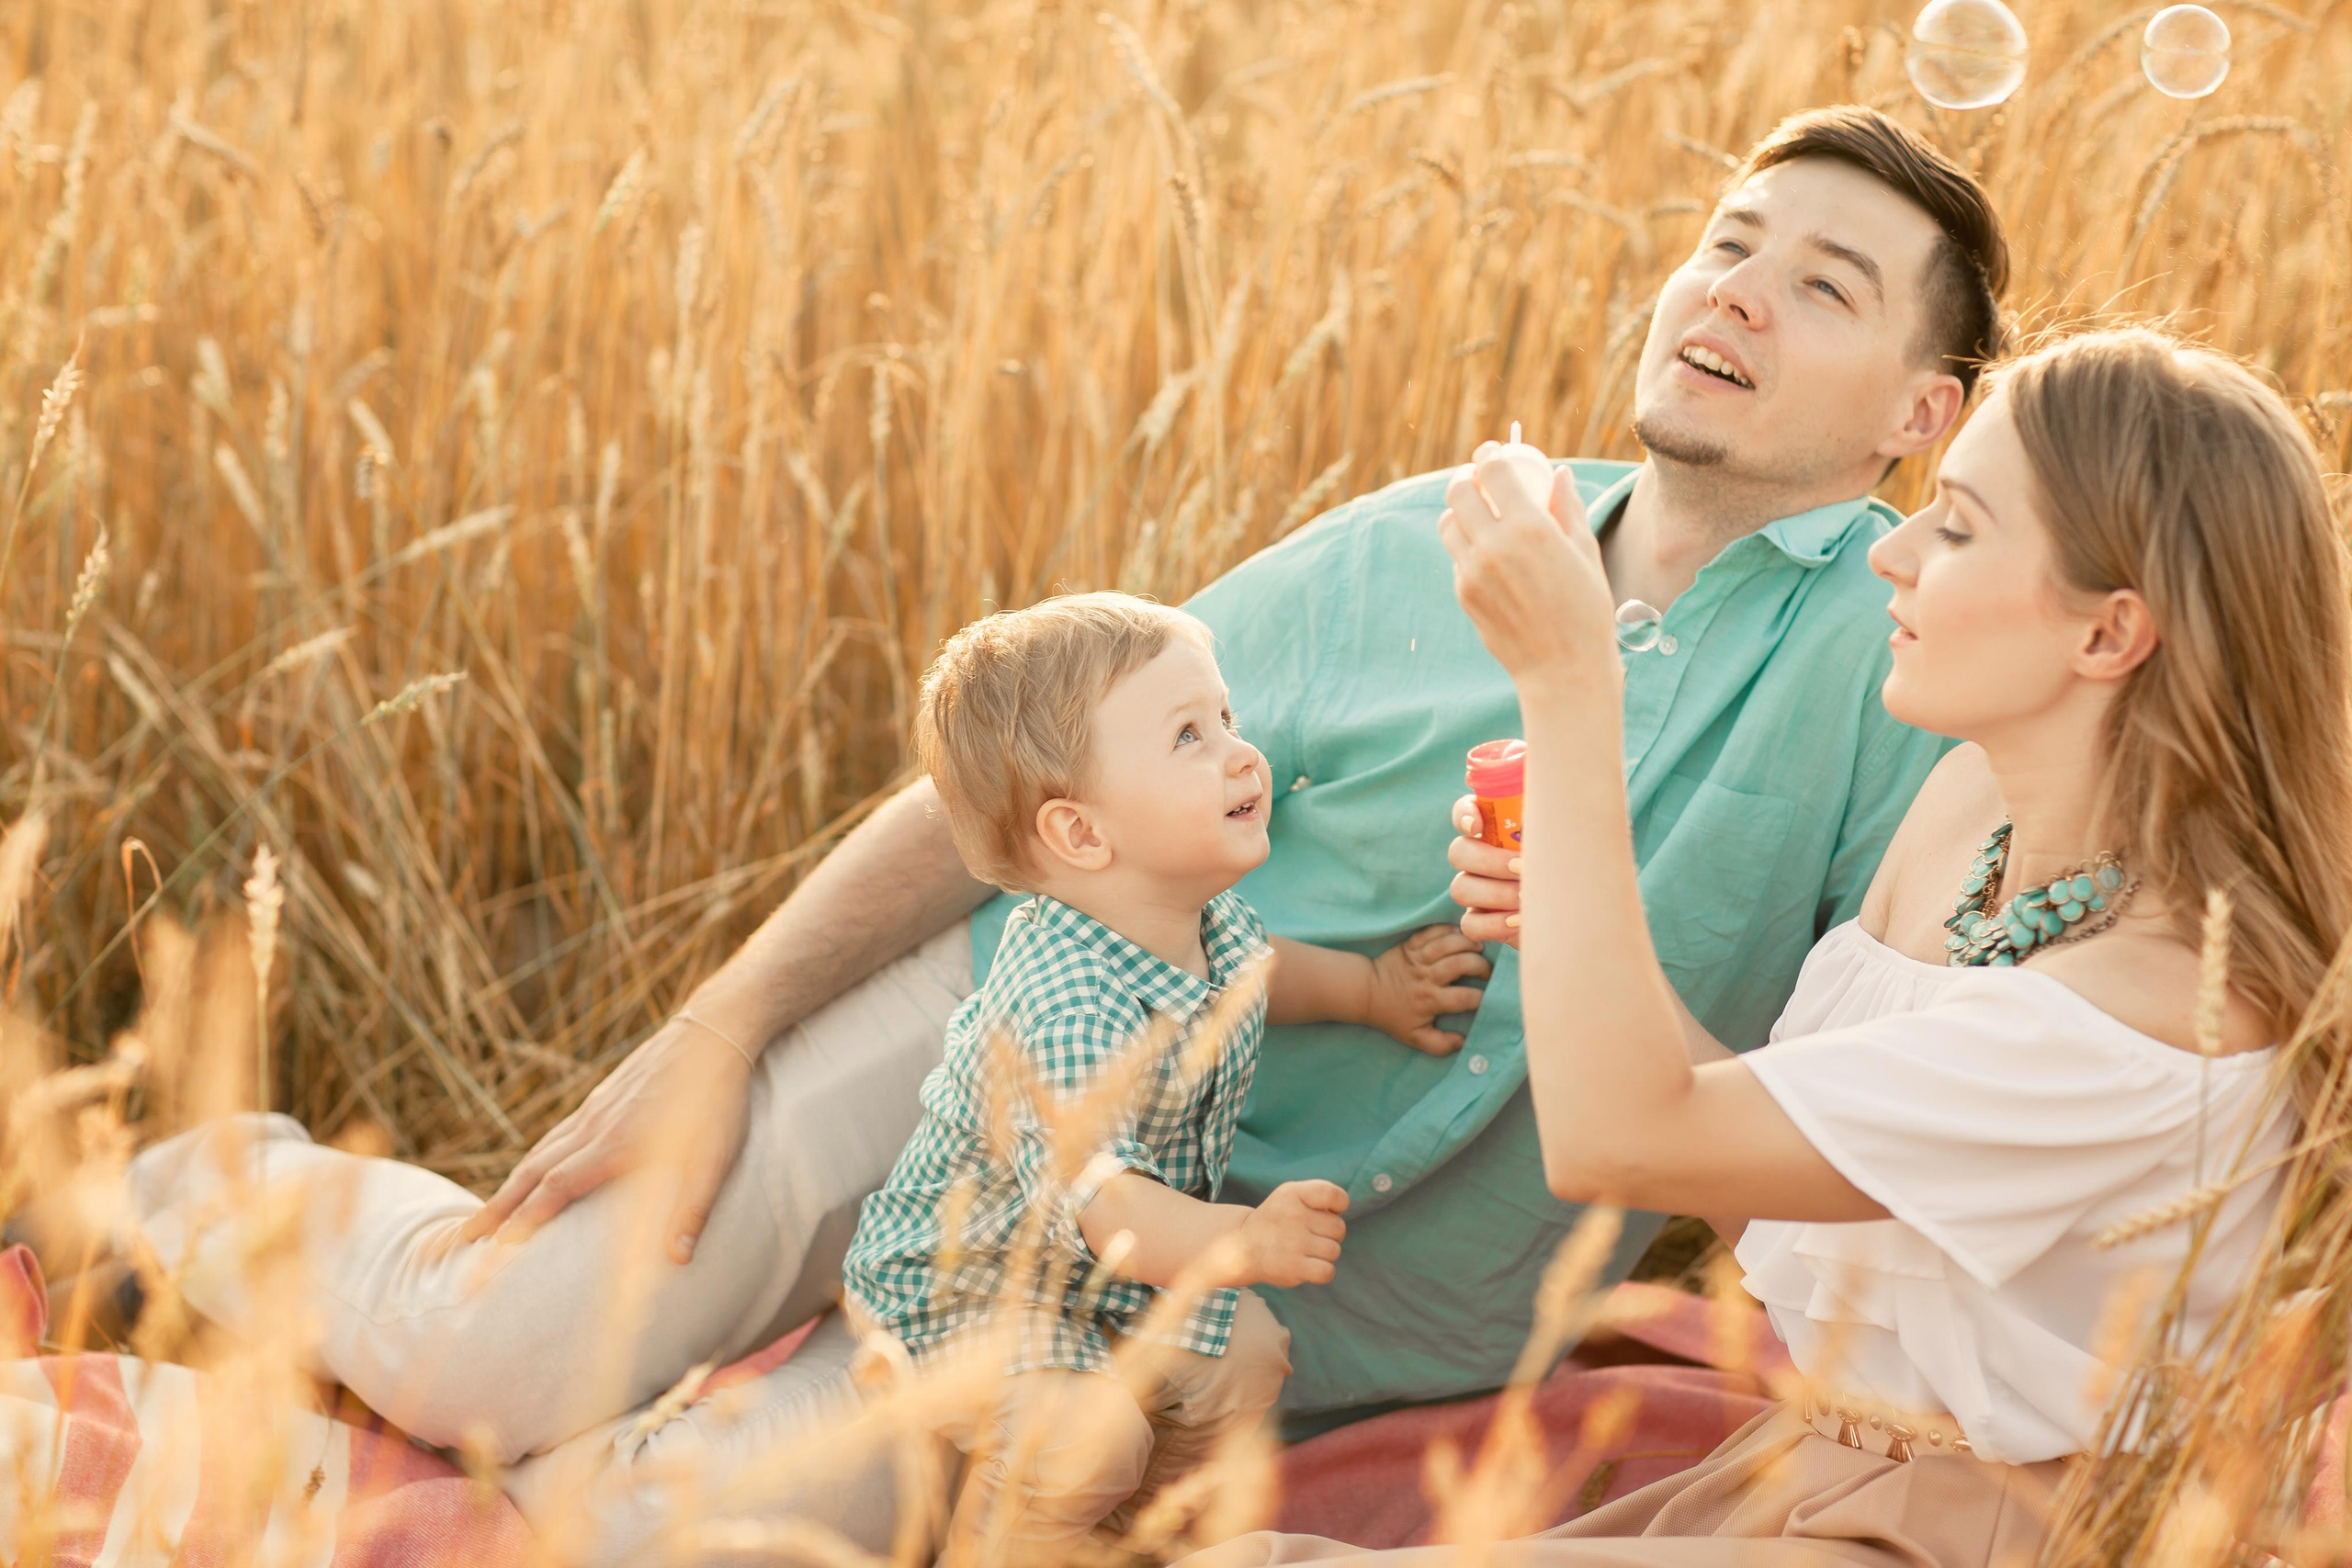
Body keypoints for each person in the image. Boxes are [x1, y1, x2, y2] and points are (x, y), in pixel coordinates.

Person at [98, 102, 2007, 1558]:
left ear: (1918, 417)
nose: (1729, 293)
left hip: (1257, 1304)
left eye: (1818, 284)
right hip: (994, 1047)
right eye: (1724, 242)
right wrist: (716, 1032)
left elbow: (1838, 1098)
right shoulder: (1440, 529)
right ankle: (168, 1179)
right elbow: (1016, 779)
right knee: (500, 1356)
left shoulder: (1899, 662)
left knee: (650, 1526)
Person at [1183, 325, 2344, 1566]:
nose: (1890, 555)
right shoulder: (1972, 809)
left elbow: (1621, 1139)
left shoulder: (2130, 1014)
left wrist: (1573, 676)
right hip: (1808, 1467)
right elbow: (1777, 1193)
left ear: (2108, 634)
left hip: (1976, 1535)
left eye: (1952, 526)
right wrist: (1564, 905)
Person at [839, 592, 1484, 1558]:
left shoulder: (1200, 918)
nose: (1240, 752)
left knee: (1248, 1354)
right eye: (1189, 736)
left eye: (1226, 717)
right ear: (1082, 835)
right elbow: (1114, 1213)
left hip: (1098, 1277)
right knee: (1086, 1442)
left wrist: (1372, 989)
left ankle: (1133, 1532)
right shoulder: (1061, 1007)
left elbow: (1262, 973)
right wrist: (1246, 1239)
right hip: (973, 1287)